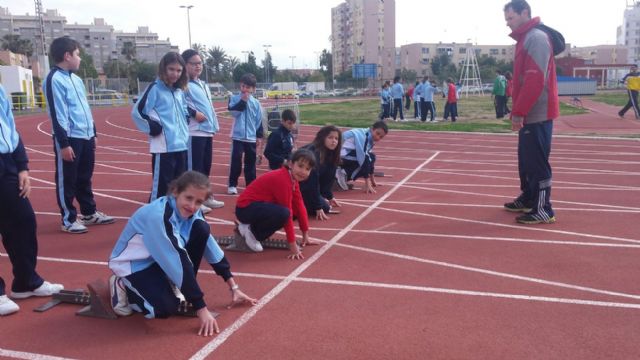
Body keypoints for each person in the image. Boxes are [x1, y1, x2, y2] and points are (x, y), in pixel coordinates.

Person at [108, 171, 257, 335]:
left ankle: (171, 282)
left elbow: (209, 244)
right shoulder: (158, 217)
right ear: (175, 192)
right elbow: (177, 258)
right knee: (163, 310)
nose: (192, 206)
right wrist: (201, 308)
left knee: (201, 229)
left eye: (199, 202)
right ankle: (122, 284)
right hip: (134, 265)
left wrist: (233, 286)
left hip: (159, 259)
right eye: (188, 198)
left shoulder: (193, 212)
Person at [1, 84, 64, 316]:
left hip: (6, 162)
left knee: (23, 221)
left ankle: (26, 281)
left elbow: (10, 127)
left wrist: (22, 167)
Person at [43, 36, 115, 234]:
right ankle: (68, 219)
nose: (80, 59)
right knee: (68, 179)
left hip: (86, 135)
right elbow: (58, 114)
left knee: (85, 176)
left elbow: (84, 107)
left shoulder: (76, 79)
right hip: (70, 138)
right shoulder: (53, 79)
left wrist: (93, 131)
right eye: (77, 55)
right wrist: (64, 143)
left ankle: (89, 213)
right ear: (67, 56)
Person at [503, 0, 558, 224]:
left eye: (511, 18)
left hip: (538, 113)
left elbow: (535, 80)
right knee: (525, 161)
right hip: (529, 113)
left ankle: (544, 208)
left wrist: (519, 112)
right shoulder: (525, 39)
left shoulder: (536, 38)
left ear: (525, 12)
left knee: (537, 162)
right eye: (506, 20)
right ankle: (529, 197)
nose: (508, 24)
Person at [235, 149, 316, 259]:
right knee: (284, 213)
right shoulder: (283, 179)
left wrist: (305, 234)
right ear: (291, 164)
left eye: (307, 169)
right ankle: (252, 232)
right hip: (245, 209)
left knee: (292, 211)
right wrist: (293, 246)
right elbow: (287, 213)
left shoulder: (292, 178)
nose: (303, 171)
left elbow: (299, 204)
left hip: (256, 207)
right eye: (300, 166)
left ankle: (251, 229)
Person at [132, 52, 190, 203]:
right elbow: (138, 112)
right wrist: (153, 127)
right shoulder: (155, 88)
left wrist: (186, 122)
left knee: (179, 187)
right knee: (162, 188)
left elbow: (184, 110)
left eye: (179, 70)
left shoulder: (179, 91)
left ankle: (172, 216)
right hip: (163, 147)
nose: (175, 73)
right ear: (163, 68)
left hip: (181, 145)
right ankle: (155, 217)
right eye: (171, 69)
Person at [181, 49, 224, 211]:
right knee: (195, 168)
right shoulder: (182, 85)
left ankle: (205, 197)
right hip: (194, 131)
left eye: (200, 63)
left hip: (207, 131)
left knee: (206, 167)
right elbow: (179, 105)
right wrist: (193, 113)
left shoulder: (202, 84)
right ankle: (194, 201)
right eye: (194, 63)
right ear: (185, 65)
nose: (198, 66)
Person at [227, 73, 264, 195]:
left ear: (253, 89)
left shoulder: (256, 103)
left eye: (248, 87)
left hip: (251, 138)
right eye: (243, 86)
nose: (245, 89)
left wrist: (259, 136)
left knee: (250, 163)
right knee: (236, 161)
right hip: (238, 136)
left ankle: (251, 184)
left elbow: (258, 120)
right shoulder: (234, 99)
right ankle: (232, 184)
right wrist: (242, 101)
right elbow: (234, 113)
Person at [299, 125, 342, 221]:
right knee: (324, 207)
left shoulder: (331, 154)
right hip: (298, 185)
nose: (334, 141)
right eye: (330, 137)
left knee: (325, 205)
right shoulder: (314, 154)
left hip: (306, 186)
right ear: (323, 138)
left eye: (336, 138)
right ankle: (296, 206)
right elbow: (311, 182)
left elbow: (328, 178)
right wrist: (318, 206)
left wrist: (329, 196)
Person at [335, 120, 388, 194]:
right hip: (335, 156)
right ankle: (341, 172)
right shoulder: (363, 136)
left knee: (371, 157)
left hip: (344, 155)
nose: (378, 137)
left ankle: (343, 174)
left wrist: (373, 181)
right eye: (377, 133)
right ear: (372, 129)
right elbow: (363, 159)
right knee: (365, 160)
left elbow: (370, 159)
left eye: (381, 137)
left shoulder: (369, 137)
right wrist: (367, 183)